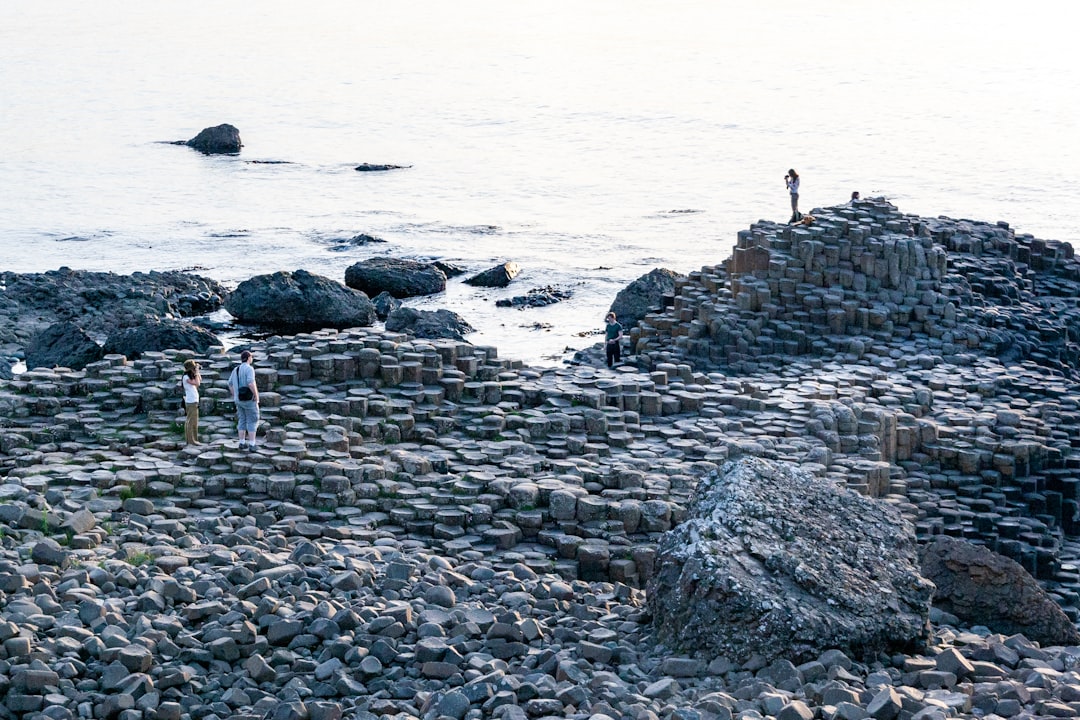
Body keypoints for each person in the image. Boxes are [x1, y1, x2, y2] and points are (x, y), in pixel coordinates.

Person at [228, 350, 260, 451]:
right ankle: (252, 444)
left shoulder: (235, 369)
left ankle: (241, 442)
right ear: (249, 358)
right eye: (252, 357)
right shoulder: (249, 369)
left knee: (242, 420)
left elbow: (230, 384)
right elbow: (250, 383)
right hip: (248, 400)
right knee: (252, 420)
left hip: (238, 400)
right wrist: (256, 395)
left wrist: (235, 395)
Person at [181, 359, 202, 446]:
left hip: (193, 400)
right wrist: (196, 371)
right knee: (190, 421)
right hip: (191, 401)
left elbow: (199, 380)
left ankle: (194, 439)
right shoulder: (186, 377)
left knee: (194, 421)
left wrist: (197, 372)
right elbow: (197, 383)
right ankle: (191, 441)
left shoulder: (189, 376)